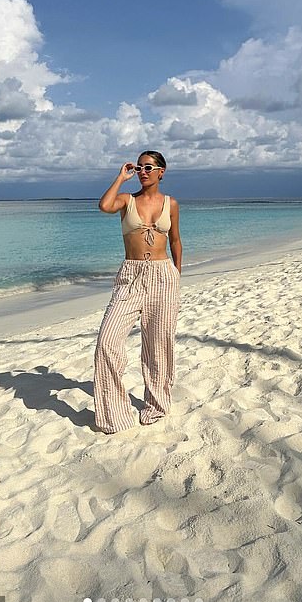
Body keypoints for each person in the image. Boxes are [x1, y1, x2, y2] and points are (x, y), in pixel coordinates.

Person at [94, 151, 182, 434]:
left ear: (161, 172)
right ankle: (115, 415)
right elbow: (104, 205)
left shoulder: (171, 204)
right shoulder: (126, 200)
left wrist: (176, 274)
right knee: (107, 341)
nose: (143, 171)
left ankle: (156, 405)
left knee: (159, 345)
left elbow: (176, 241)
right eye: (140, 167)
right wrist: (121, 177)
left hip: (163, 276)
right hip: (130, 276)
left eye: (149, 167)